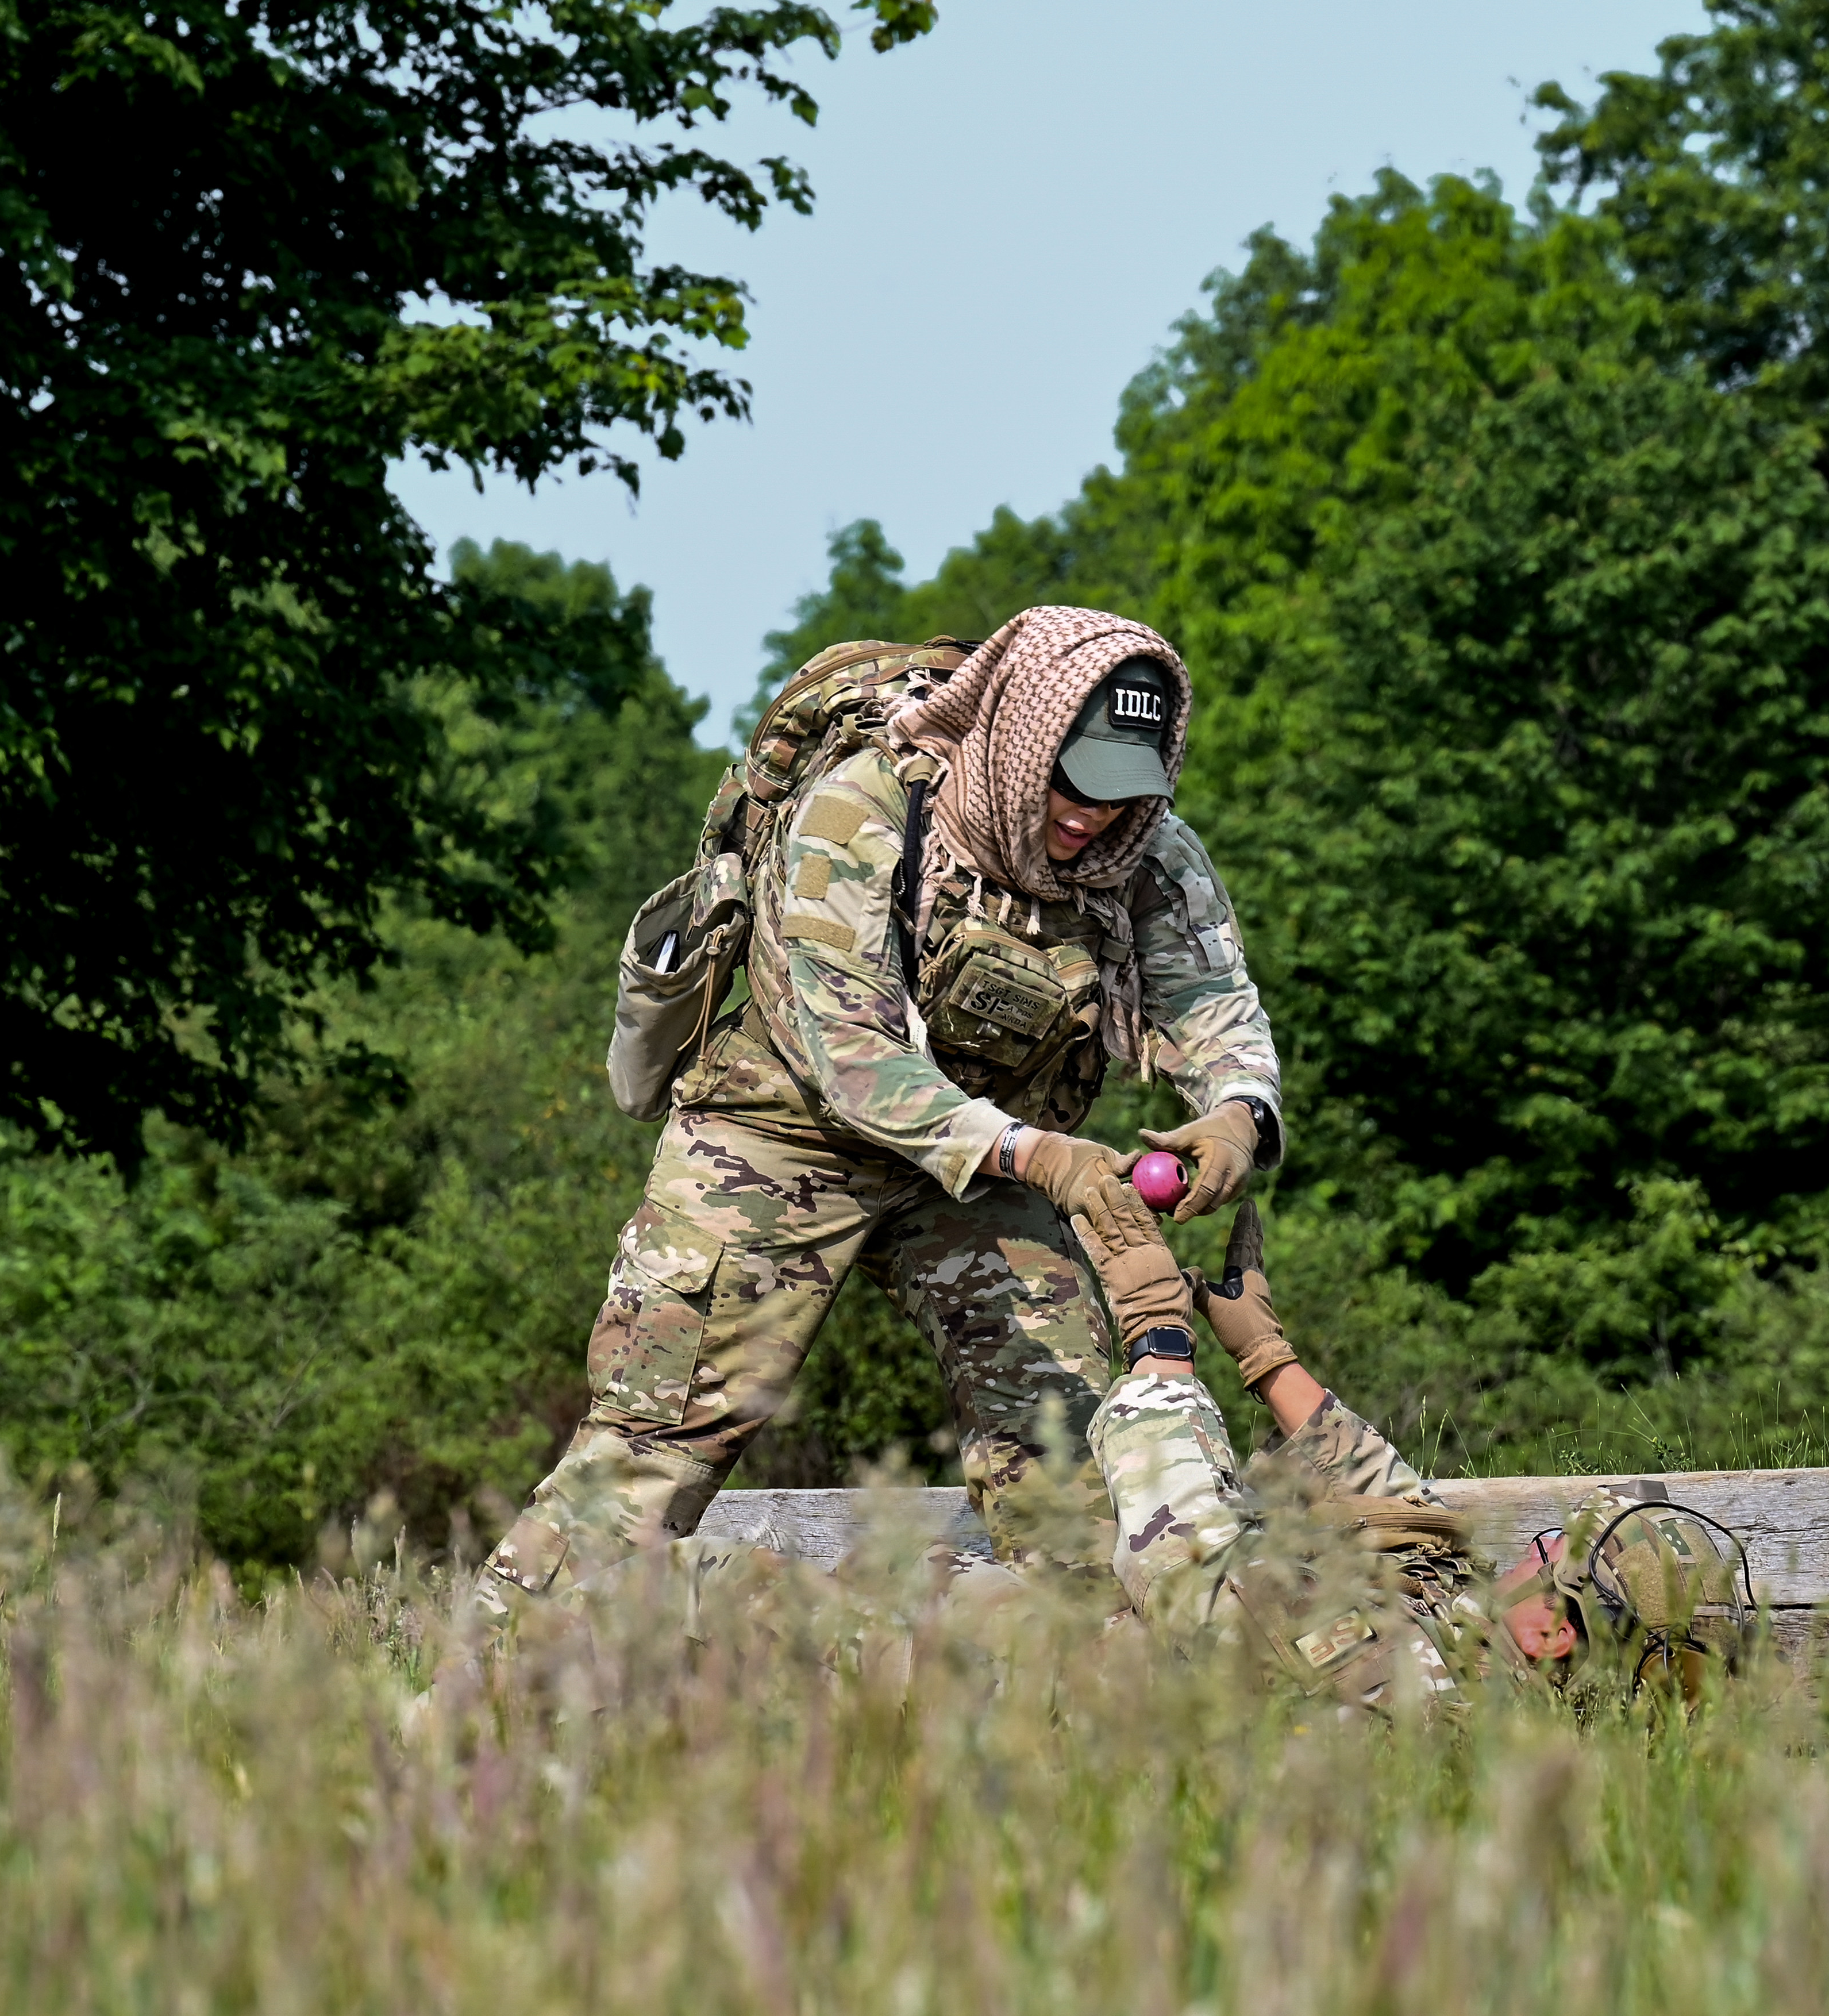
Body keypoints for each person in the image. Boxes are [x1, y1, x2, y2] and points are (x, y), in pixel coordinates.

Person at [483, 606, 1285, 1605]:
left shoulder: (1143, 851)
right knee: (654, 1441)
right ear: (1019, 736)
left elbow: (1210, 999)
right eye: (1069, 780)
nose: (1088, 814)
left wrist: (1238, 1112)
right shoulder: (857, 814)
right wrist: (1046, 1160)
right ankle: (474, 1709)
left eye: (1122, 791)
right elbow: (854, 1062)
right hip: (781, 1139)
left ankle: (1082, 1714)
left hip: (988, 1161)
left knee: (1069, 1453)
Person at [1087, 1202, 1752, 1707]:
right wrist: (1265, 1354)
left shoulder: (1406, 1680)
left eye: (1550, 1547)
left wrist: (1159, 1341)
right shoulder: (1489, 1657)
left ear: (1554, 1635)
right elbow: (1399, 1508)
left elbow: (1181, 1562)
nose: (1530, 1548)